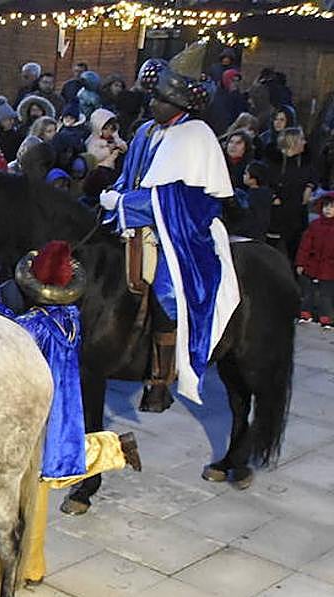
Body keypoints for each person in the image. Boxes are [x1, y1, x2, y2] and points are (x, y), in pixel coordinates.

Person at [0, 243, 140, 582]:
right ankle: (115, 448)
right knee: (56, 468)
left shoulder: (38, 325)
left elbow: (13, 331)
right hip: (63, 408)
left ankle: (29, 568)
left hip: (40, 414)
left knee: (35, 492)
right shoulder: (70, 316)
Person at [100, 56, 239, 411]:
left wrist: (123, 203)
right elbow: (130, 176)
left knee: (166, 289)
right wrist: (115, 195)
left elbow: (180, 200)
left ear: (178, 104)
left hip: (181, 233)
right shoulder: (146, 130)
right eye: (152, 97)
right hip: (135, 222)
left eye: (159, 99)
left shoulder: (196, 137)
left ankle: (160, 379)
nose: (152, 104)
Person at [267, 127, 317, 263]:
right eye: (301, 139)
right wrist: (273, 197)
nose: (304, 142)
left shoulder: (305, 161)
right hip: (277, 212)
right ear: (292, 141)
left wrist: (309, 187)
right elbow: (265, 181)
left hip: (297, 211)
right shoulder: (274, 162)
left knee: (295, 248)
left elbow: (312, 177)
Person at [296, 191, 334, 327]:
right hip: (311, 265)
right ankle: (306, 313)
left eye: (332, 207)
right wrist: (300, 263)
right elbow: (305, 246)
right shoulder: (315, 225)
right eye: (326, 206)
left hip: (329, 269)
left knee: (326, 295)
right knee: (308, 292)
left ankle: (326, 318)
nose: (328, 210)